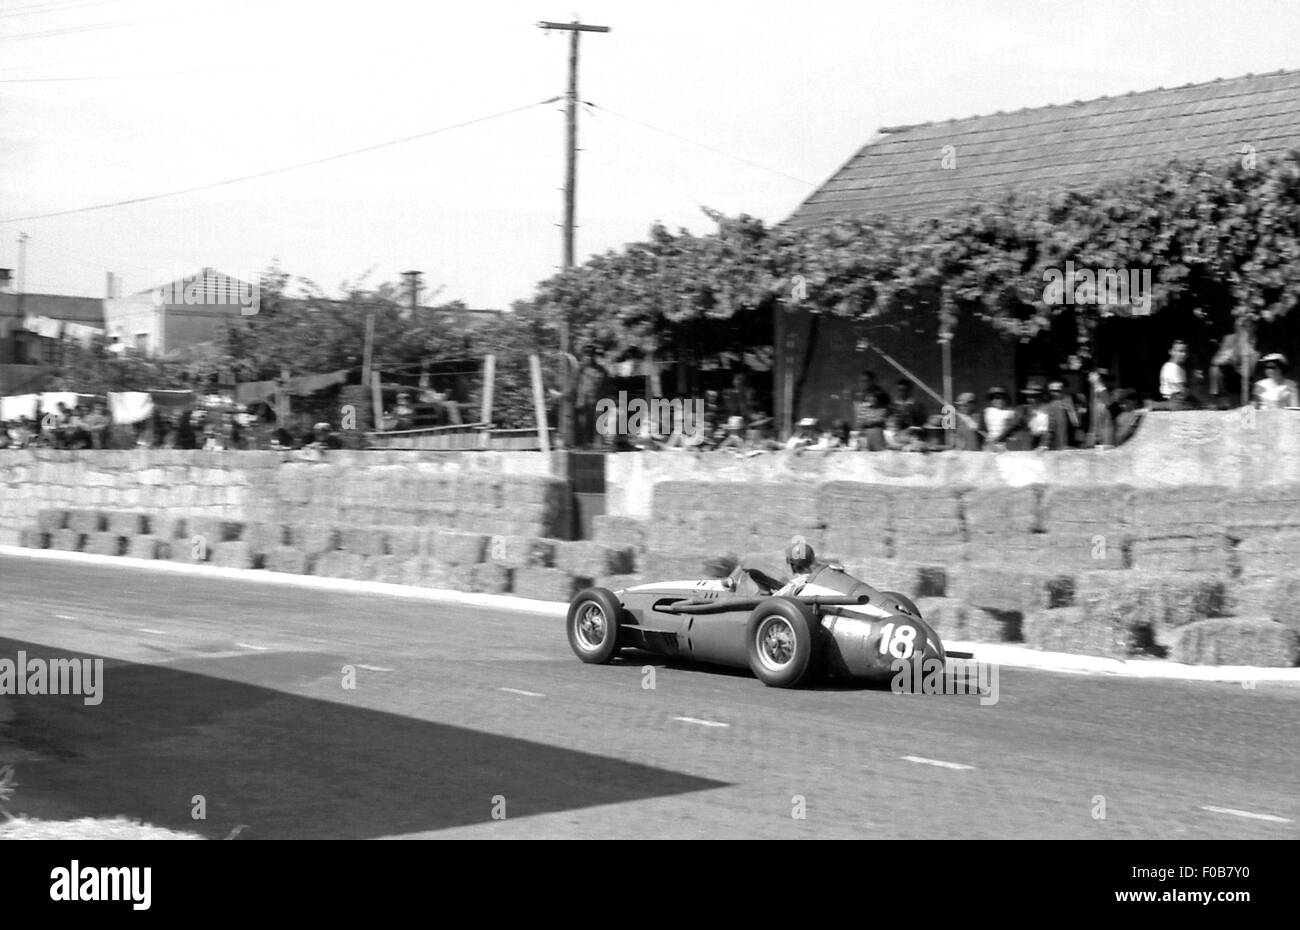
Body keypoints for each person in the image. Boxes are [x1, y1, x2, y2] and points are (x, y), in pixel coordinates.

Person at [982, 386, 1017, 451]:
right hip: (989, 443)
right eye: (995, 398)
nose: (998, 400)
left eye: (1001, 398)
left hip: (1004, 444)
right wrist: (988, 438)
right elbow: (981, 428)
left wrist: (996, 440)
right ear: (991, 400)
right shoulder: (986, 411)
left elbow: (1007, 429)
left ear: (1006, 399)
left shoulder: (1010, 412)